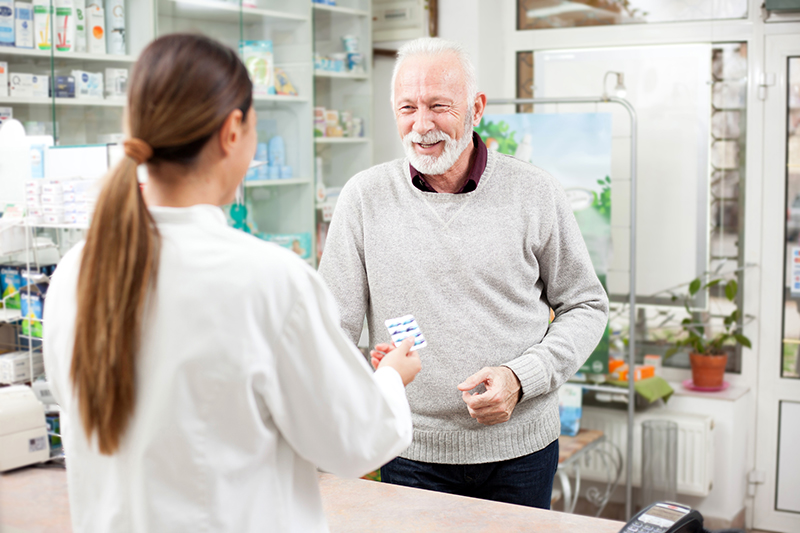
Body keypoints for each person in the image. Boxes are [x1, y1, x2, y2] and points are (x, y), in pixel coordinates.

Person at [42, 34, 421, 533]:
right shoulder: (268, 281)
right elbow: (356, 443)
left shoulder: (75, 272)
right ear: (232, 130)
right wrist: (392, 376)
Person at [318, 37, 609, 509]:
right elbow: (330, 332)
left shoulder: (535, 192)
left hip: (522, 452)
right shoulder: (363, 199)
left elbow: (587, 305)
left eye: (439, 106)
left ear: (476, 108)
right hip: (410, 451)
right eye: (407, 107)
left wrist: (520, 377)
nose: (422, 124)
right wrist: (375, 388)